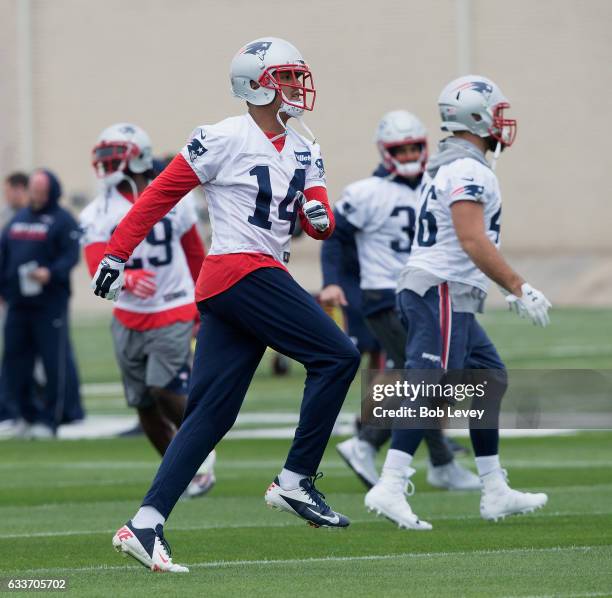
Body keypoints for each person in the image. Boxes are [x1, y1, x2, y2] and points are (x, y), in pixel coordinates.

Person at [92, 37, 361, 572]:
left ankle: (145, 524)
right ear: (258, 83)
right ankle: (295, 480)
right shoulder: (222, 137)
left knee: (210, 413)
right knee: (339, 356)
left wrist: (319, 216)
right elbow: (160, 194)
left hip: (246, 279)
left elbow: (316, 220)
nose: (295, 86)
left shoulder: (306, 146)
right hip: (241, 269)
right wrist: (117, 254)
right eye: (285, 77)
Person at [364, 75, 551, 530]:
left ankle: (493, 489)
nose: (503, 122)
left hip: (448, 290)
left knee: (488, 378)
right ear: (476, 116)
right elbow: (471, 238)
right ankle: (390, 484)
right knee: (430, 382)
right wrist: (517, 285)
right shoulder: (468, 169)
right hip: (439, 287)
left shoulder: (456, 165)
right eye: (496, 112)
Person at [322, 111, 480, 491]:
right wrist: (332, 283)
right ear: (385, 151)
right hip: (386, 297)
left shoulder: (436, 183)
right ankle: (416, 456)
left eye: (414, 146)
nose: (409, 153)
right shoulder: (365, 192)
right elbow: (333, 236)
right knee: (428, 381)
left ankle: (375, 444)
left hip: (428, 295)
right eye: (401, 148)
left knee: (423, 380)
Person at [80, 122, 215, 498]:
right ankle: (179, 471)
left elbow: (193, 253)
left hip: (173, 304)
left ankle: (201, 449)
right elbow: (95, 264)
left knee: (162, 386)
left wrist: (204, 303)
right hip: (128, 314)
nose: (106, 165)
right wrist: (128, 278)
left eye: (113, 156)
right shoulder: (97, 211)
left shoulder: (176, 198)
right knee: (142, 403)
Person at [0, 169, 82, 438]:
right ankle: (23, 413)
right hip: (18, 303)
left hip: (49, 304)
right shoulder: (18, 220)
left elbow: (70, 256)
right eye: (33, 190)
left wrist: (51, 272)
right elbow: (4, 253)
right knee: (15, 361)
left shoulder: (63, 220)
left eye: (40, 191)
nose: (36, 195)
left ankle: (50, 419)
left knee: (52, 362)